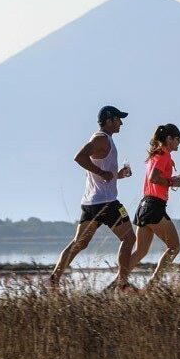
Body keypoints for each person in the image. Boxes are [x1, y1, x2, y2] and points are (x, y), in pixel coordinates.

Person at [49, 105, 135, 288]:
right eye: (118, 119)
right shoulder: (101, 139)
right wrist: (102, 173)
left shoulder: (106, 140)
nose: (121, 123)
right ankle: (122, 284)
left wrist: (117, 174)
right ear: (109, 120)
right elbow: (79, 157)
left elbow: (103, 170)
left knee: (79, 243)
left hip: (92, 202)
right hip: (108, 203)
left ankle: (53, 280)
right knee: (129, 239)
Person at [122, 123, 180, 289]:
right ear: (169, 139)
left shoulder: (156, 155)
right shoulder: (163, 155)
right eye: (177, 139)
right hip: (154, 207)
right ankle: (151, 287)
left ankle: (119, 283)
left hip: (145, 206)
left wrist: (177, 178)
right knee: (174, 247)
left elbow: (158, 180)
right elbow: (154, 178)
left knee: (141, 251)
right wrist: (171, 181)